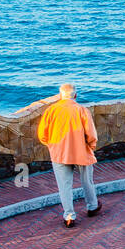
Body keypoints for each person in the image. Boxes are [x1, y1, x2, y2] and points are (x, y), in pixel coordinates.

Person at [37, 83, 100, 228]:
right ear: (75, 96)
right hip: (81, 151)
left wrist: (52, 146)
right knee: (87, 181)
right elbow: (91, 134)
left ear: (60, 96)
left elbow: (42, 134)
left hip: (59, 153)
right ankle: (92, 206)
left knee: (64, 186)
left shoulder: (51, 110)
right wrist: (91, 147)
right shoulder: (82, 110)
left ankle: (69, 216)